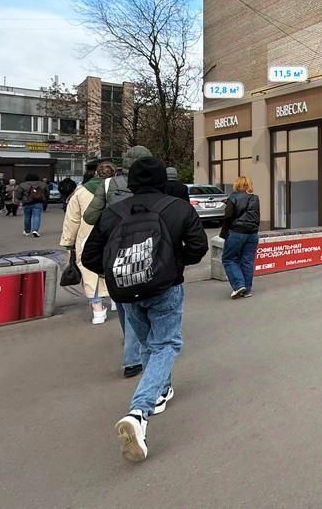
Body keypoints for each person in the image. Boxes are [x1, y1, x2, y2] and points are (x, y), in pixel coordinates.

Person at [82, 156, 208, 462]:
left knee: (149, 345)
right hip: (165, 288)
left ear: (131, 182)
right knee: (166, 344)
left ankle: (162, 390)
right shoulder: (178, 208)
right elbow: (198, 248)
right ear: (163, 179)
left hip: (127, 292)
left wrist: (118, 273)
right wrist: (172, 264)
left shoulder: (114, 212)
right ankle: (139, 412)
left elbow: (90, 257)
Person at [88, 156, 150, 377]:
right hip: (144, 246)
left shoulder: (108, 186)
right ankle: (134, 355)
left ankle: (132, 350)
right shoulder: (150, 185)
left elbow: (89, 217)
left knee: (125, 301)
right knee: (140, 298)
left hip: (115, 248)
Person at [60, 171, 109, 324]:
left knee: (89, 273)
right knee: (113, 266)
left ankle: (98, 311)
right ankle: (116, 302)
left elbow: (72, 220)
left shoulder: (79, 193)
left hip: (86, 236)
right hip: (111, 233)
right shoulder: (117, 189)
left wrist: (68, 242)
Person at [220, 176, 260, 299]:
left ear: (237, 185)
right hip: (252, 233)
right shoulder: (255, 198)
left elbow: (228, 217)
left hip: (236, 232)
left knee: (229, 259)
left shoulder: (233, 197)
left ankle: (239, 285)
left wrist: (224, 233)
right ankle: (247, 289)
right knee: (247, 260)